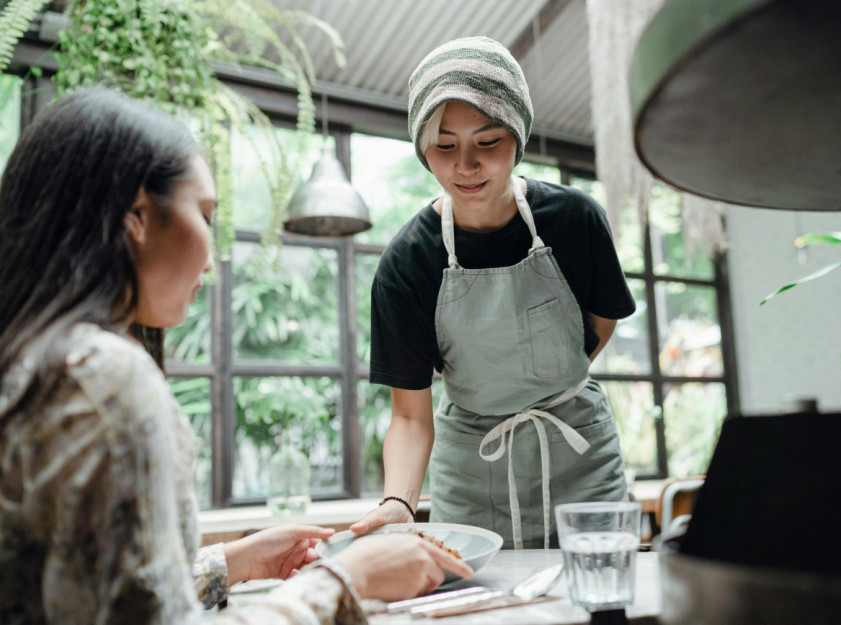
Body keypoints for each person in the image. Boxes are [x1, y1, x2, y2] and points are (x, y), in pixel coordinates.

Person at [0, 87, 471, 625]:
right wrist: (342, 580)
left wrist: (229, 563)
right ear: (135, 216)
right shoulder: (105, 380)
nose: (213, 252)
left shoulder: (32, 361)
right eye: (204, 214)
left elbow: (92, 595)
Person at [351, 37, 637, 549]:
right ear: (422, 148)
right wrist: (398, 503)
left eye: (488, 142)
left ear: (518, 136)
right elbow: (410, 415)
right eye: (445, 145)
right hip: (472, 470)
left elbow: (600, 324)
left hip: (580, 457)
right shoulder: (408, 263)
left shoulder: (575, 220)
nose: (466, 165)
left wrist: (545, 381)